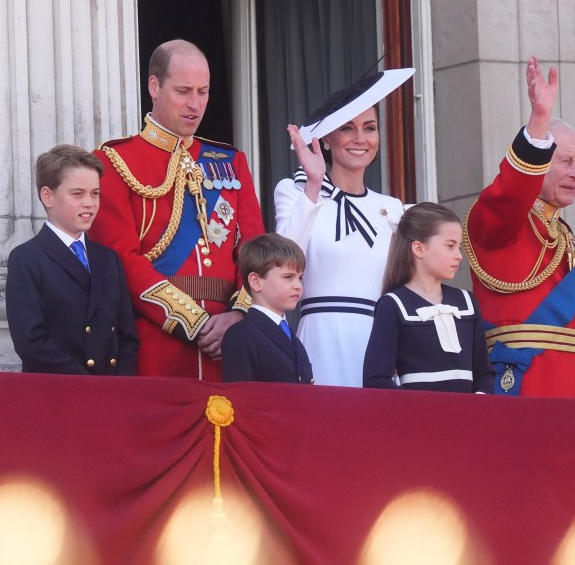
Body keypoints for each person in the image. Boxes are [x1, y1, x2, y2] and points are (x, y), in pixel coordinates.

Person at [91, 39, 265, 380]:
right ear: (154, 86)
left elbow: (255, 250)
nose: (195, 104)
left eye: (203, 91)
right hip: (157, 343)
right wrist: (193, 321)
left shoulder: (230, 162)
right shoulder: (114, 161)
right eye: (183, 91)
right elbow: (120, 258)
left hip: (230, 344)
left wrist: (240, 314)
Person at [463, 57, 575, 398]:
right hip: (522, 385)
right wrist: (539, 123)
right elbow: (510, 193)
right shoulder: (501, 223)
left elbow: (573, 337)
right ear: (541, 164)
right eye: (565, 161)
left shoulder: (564, 237)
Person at [276, 68, 414, 387]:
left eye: (369, 128)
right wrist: (313, 184)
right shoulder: (295, 191)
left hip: (378, 343)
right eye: (347, 128)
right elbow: (282, 260)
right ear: (326, 138)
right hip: (319, 338)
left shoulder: (394, 208)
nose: (360, 139)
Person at [6, 145, 138, 375]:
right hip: (58, 393)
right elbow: (31, 342)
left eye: (95, 193)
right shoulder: (27, 259)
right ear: (48, 196)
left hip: (112, 392)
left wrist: (119, 385)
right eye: (78, 194)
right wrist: (87, 385)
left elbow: (127, 337)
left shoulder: (108, 259)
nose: (89, 203)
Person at [363, 203, 493, 393]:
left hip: (468, 418)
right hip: (418, 419)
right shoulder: (393, 305)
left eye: (460, 247)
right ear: (419, 248)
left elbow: (483, 373)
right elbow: (376, 379)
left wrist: (479, 404)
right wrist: (415, 411)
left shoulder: (466, 302)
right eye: (450, 246)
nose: (459, 256)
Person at [221, 233, 314, 384]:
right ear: (256, 282)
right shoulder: (241, 335)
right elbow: (239, 398)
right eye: (288, 277)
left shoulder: (293, 338)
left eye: (300, 278)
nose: (298, 285)